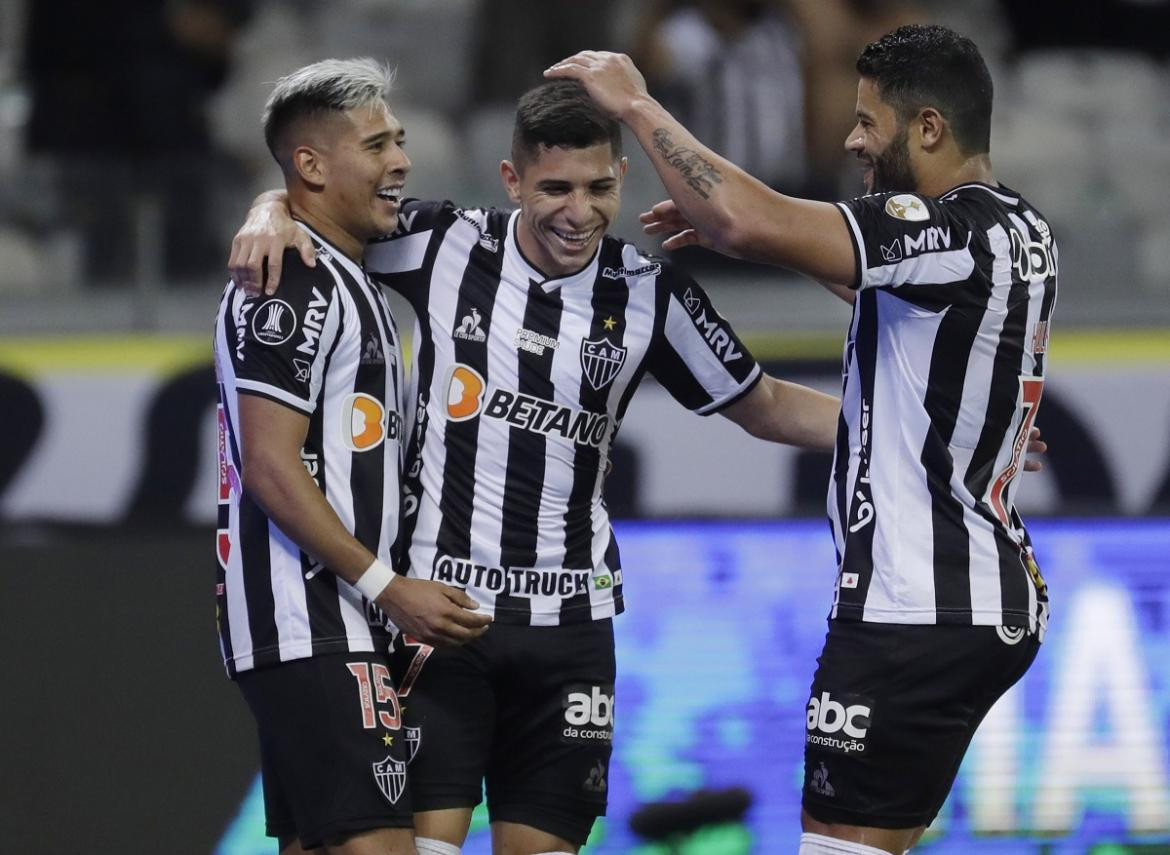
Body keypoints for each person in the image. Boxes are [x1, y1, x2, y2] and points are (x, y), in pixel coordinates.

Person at [229, 78, 844, 855]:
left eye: (598, 187)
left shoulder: (649, 293)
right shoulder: (441, 242)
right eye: (554, 187)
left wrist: (909, 434)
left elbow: (766, 405)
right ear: (511, 181)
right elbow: (323, 196)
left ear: (622, 177)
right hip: (443, 616)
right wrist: (267, 209)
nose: (577, 211)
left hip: (572, 631)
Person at [547, 23, 1056, 855]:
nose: (851, 138)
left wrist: (638, 105)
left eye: (869, 121)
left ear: (930, 128)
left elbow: (753, 221)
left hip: (915, 606)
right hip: (980, 593)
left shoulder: (951, 231)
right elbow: (885, 294)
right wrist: (735, 227)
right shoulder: (1018, 229)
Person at [213, 58, 490, 855]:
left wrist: (269, 203)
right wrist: (388, 585)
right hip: (308, 622)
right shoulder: (291, 281)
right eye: (376, 145)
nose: (400, 160)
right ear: (312, 165)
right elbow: (270, 465)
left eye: (399, 140)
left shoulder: (345, 272)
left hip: (340, 624)